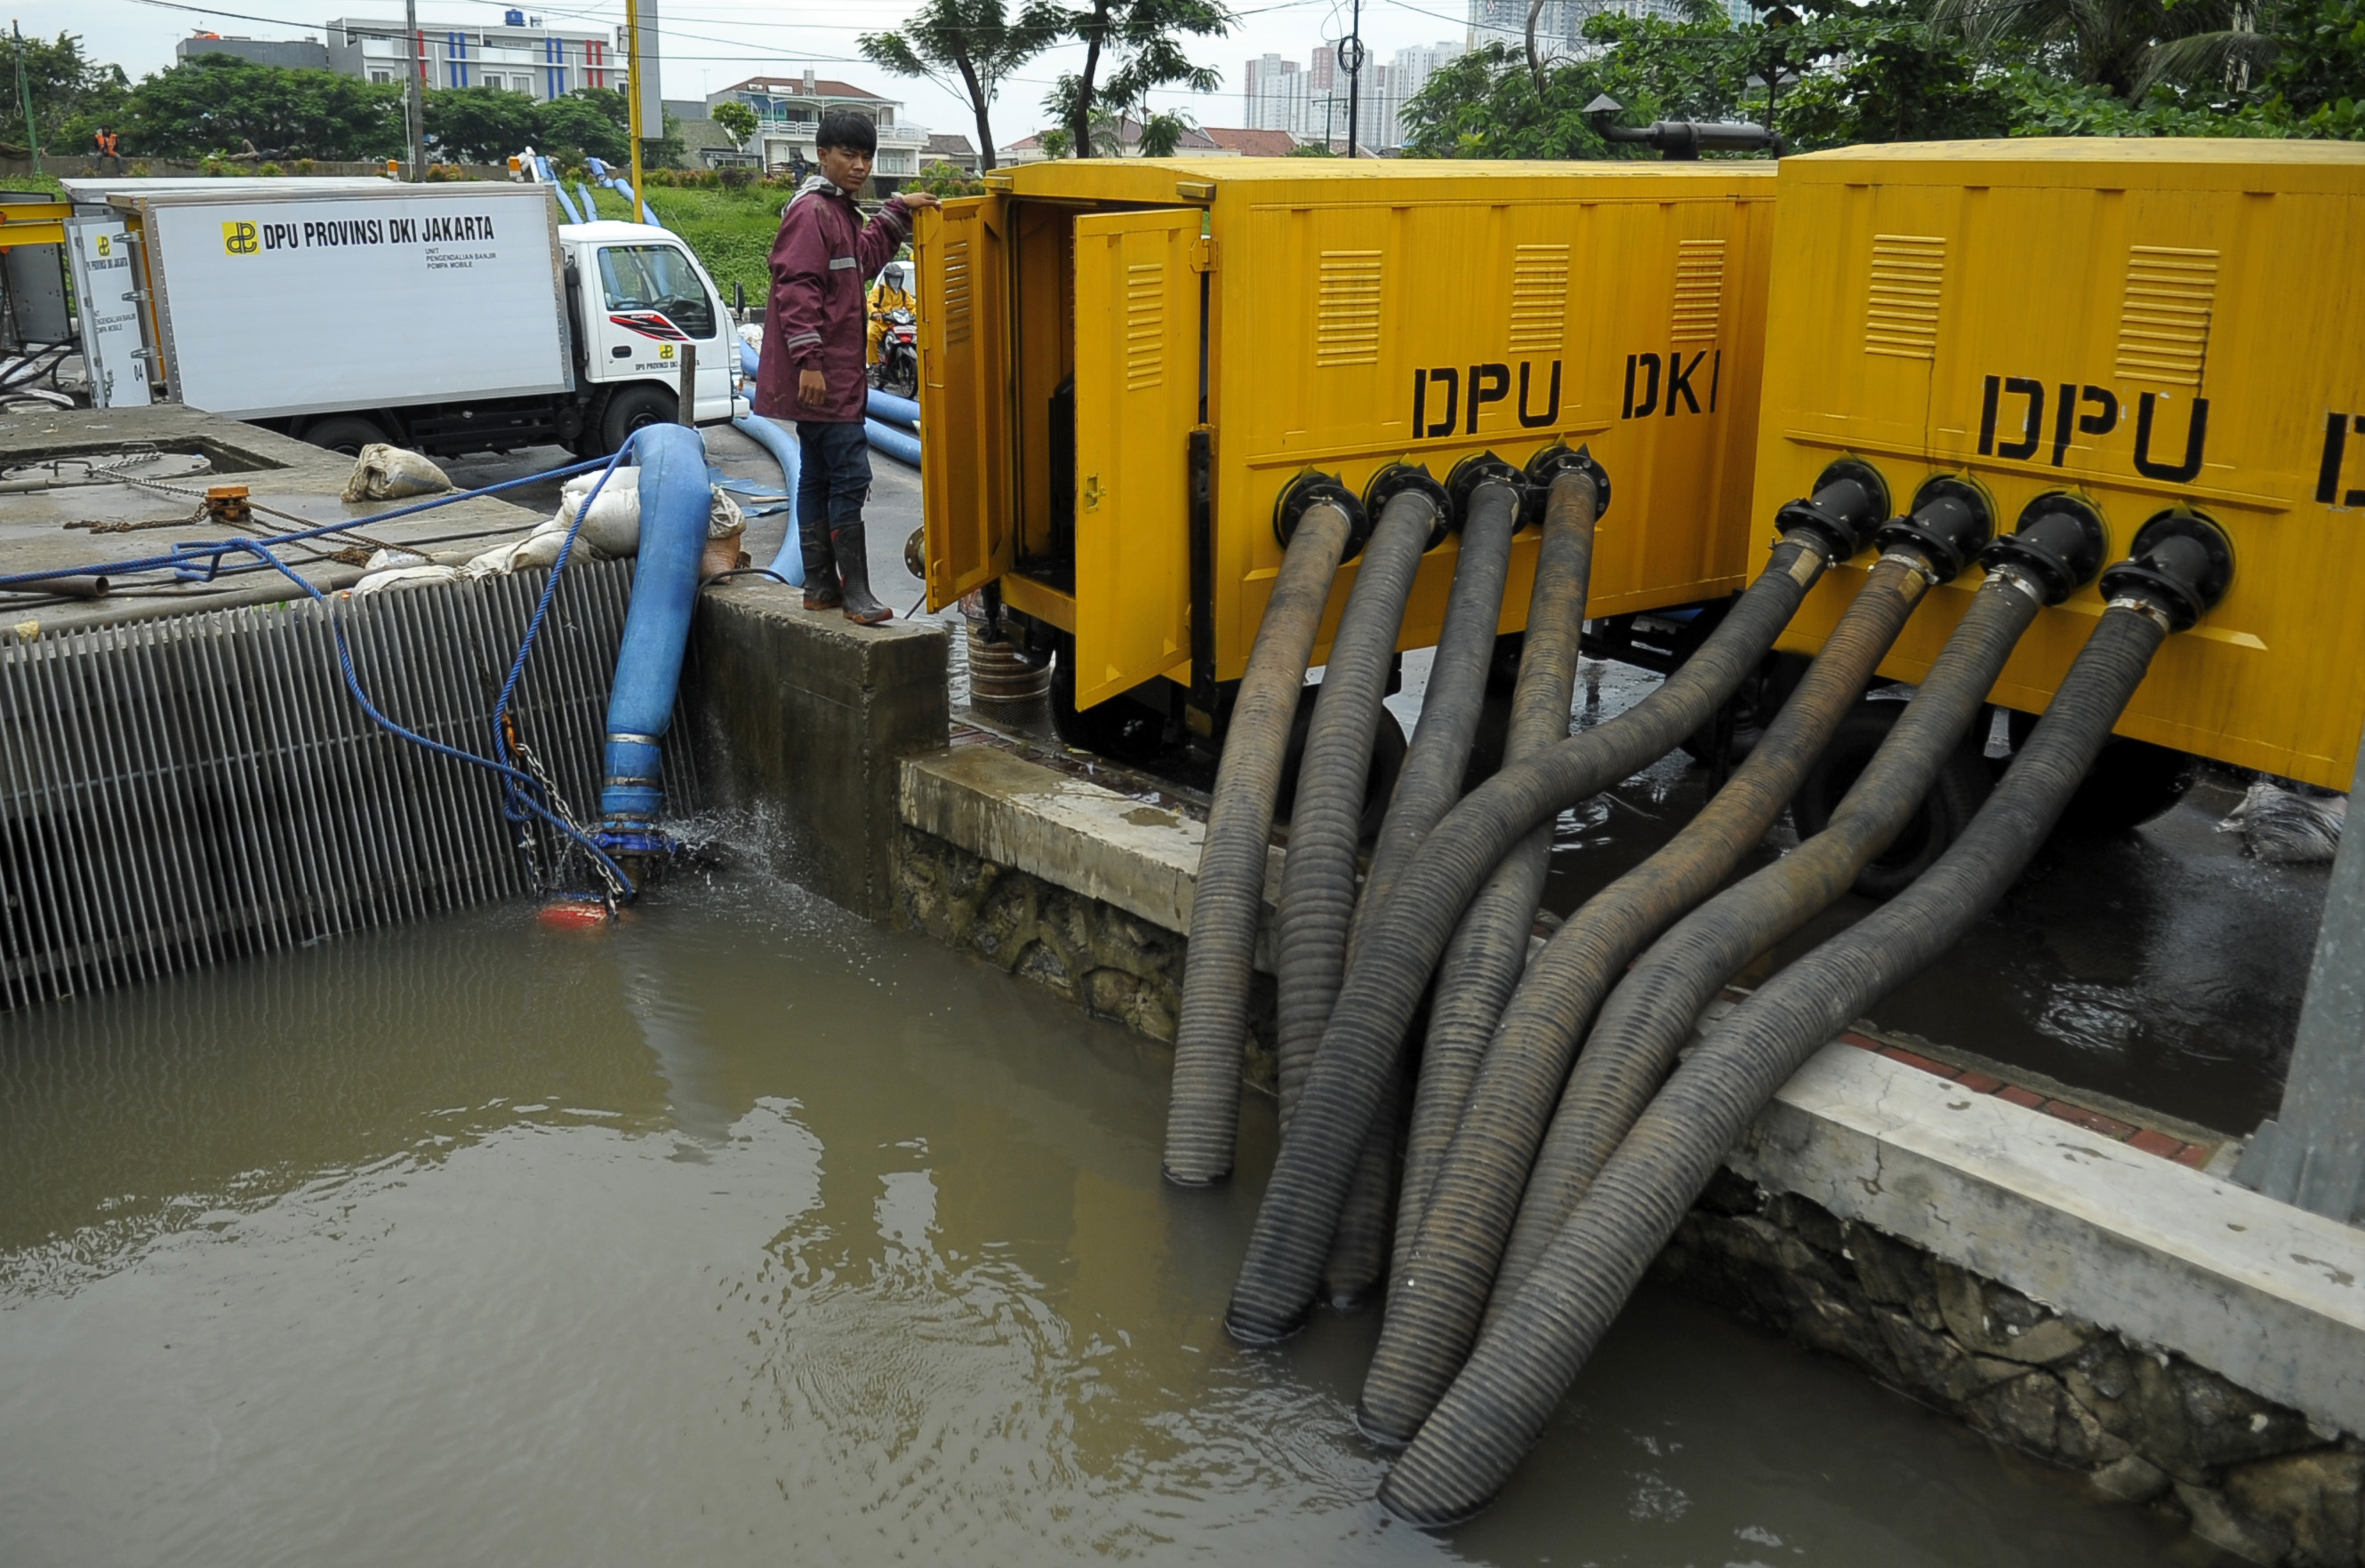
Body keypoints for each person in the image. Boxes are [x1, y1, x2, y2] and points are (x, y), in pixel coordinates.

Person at [755, 111, 937, 623]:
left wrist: (899, 211)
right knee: (850, 478)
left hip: (829, 378)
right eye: (848, 155)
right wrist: (810, 362)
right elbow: (797, 289)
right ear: (823, 155)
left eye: (866, 156)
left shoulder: (837, 212)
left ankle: (820, 587)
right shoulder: (812, 212)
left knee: (815, 477)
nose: (859, 166)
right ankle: (856, 594)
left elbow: (862, 259)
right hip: (824, 377)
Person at [866, 260, 915, 369]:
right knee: (871, 334)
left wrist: (916, 315)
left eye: (897, 279)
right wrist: (875, 313)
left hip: (898, 323)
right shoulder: (880, 290)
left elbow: (912, 306)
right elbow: (871, 302)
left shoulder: (903, 292)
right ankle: (874, 363)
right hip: (881, 322)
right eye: (893, 279)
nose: (895, 282)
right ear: (887, 279)